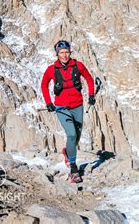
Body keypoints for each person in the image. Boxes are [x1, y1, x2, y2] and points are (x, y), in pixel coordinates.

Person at [41, 40, 95, 183]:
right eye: (61, 53)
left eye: (66, 52)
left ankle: (67, 152)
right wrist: (48, 102)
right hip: (61, 108)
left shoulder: (78, 66)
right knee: (71, 134)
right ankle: (73, 167)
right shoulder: (52, 70)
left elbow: (89, 78)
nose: (64, 55)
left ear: (70, 52)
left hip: (78, 105)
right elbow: (44, 85)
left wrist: (91, 94)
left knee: (76, 136)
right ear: (57, 54)